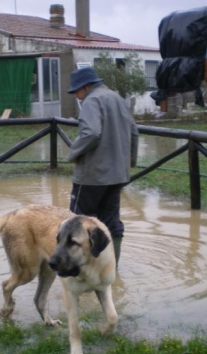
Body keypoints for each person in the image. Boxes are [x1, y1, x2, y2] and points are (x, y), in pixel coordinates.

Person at [66, 66, 139, 267]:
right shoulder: (117, 98)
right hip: (117, 176)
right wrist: (129, 162)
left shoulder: (92, 100)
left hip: (92, 176)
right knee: (110, 222)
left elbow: (91, 133)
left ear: (86, 86)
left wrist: (73, 153)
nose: (77, 97)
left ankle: (76, 270)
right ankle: (110, 269)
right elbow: (134, 132)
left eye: (77, 92)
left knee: (76, 222)